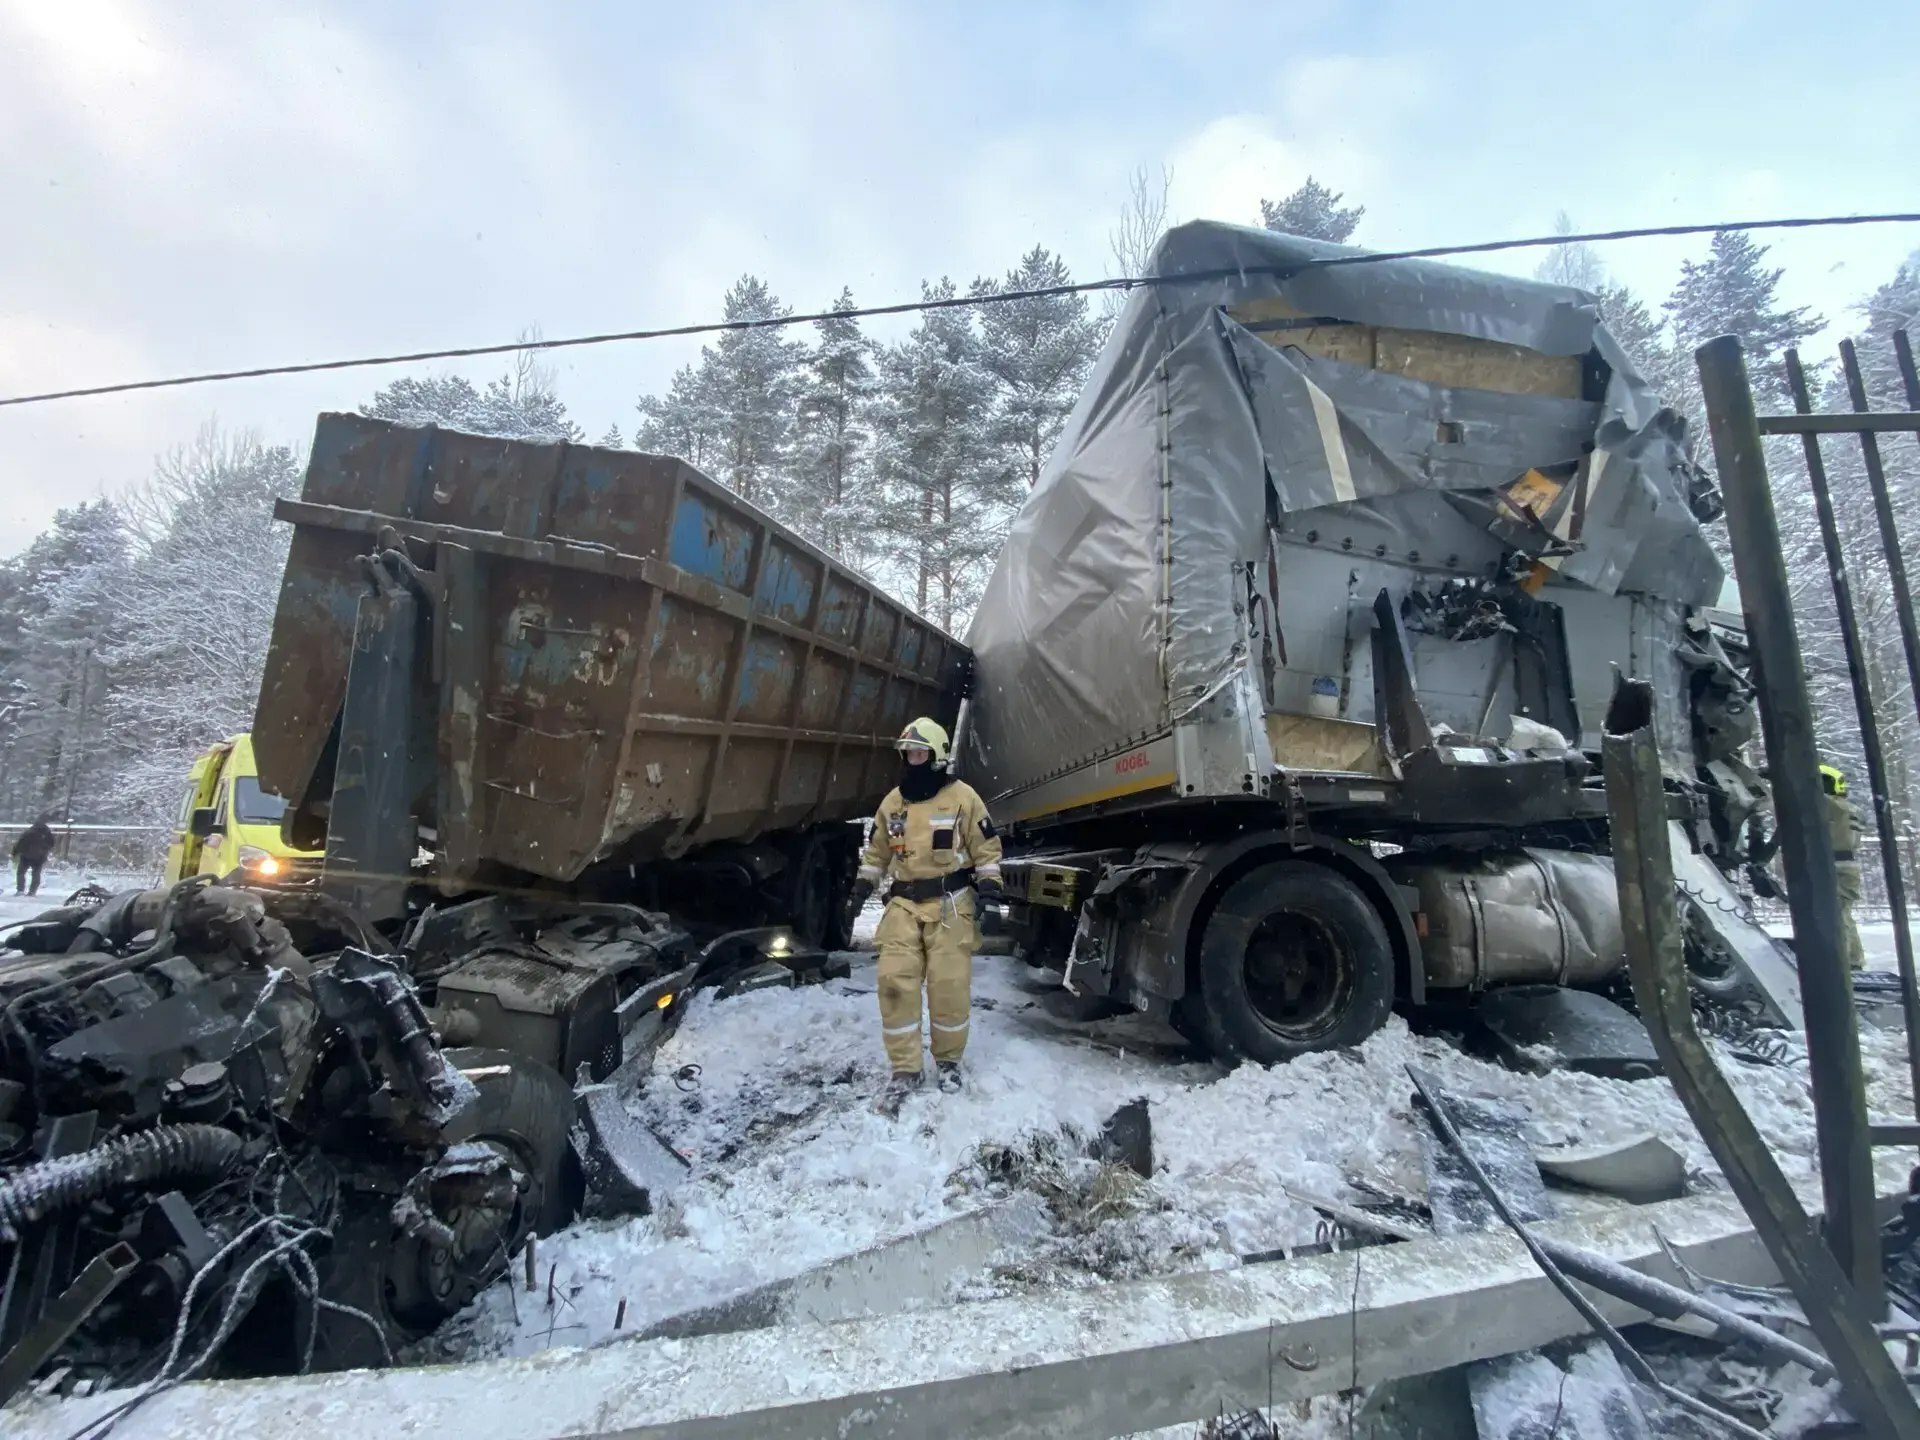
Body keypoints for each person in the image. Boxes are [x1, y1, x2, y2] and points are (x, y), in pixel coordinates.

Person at [848, 718, 1004, 1115]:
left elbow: (986, 850)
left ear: (936, 757)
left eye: (920, 754)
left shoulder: (963, 798)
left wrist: (989, 888)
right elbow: (877, 854)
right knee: (894, 983)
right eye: (908, 754)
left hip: (951, 904)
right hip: (902, 905)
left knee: (948, 986)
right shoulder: (893, 804)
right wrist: (860, 890)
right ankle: (905, 1070)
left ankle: (949, 1062)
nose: (912, 761)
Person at [1821, 763, 1867, 972]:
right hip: (1844, 866)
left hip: (1838, 866)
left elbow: (1809, 796)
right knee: (1843, 915)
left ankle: (1846, 964)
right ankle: (1854, 961)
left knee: (1838, 916)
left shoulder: (1837, 807)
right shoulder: (1848, 809)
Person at [12, 814, 57, 898]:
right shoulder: (47, 833)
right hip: (40, 857)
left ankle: (20, 890)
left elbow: (20, 843)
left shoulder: (29, 832)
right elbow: (52, 843)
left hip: (26, 856)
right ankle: (32, 891)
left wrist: (15, 853)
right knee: (36, 874)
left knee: (21, 872)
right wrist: (44, 850)